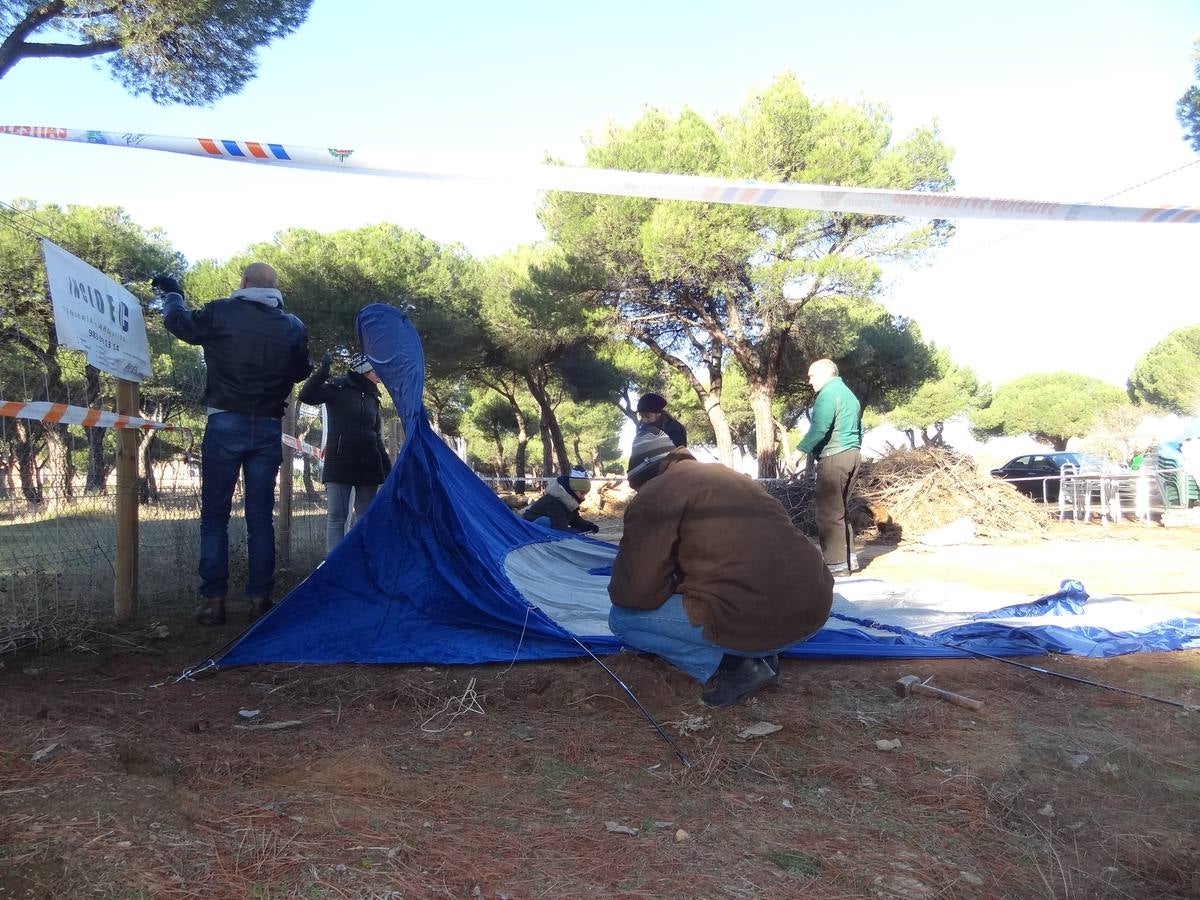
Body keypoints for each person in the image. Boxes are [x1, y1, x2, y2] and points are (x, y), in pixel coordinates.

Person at [608, 426, 834, 708]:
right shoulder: (729, 475)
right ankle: (762, 652)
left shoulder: (655, 493)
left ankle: (735, 665)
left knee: (621, 619)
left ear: (643, 477)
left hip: (762, 623)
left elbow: (636, 592)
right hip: (814, 612)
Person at [157, 263, 312, 625]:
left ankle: (214, 601)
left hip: (226, 420)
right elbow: (301, 371)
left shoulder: (222, 311)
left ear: (243, 283)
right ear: (275, 289)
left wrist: (174, 295)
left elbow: (180, 324)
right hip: (269, 425)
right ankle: (260, 600)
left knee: (215, 517)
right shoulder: (292, 326)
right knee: (260, 517)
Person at [299, 351, 392, 553]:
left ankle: (361, 561)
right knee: (336, 516)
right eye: (376, 369)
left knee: (365, 518)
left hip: (369, 465)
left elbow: (376, 435)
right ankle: (333, 564)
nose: (380, 374)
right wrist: (322, 373)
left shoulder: (374, 397)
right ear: (363, 369)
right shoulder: (337, 387)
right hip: (340, 462)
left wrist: (387, 467)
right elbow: (306, 396)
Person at [796, 359, 862, 575]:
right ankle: (850, 560)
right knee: (840, 510)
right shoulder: (849, 395)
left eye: (812, 376)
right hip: (853, 455)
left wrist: (798, 451)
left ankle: (836, 566)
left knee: (828, 513)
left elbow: (819, 428)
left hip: (835, 456)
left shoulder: (827, 394)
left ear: (825, 374)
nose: (809, 381)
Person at [521, 469, 600, 534]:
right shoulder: (554, 502)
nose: (583, 497)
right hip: (528, 530)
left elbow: (574, 520)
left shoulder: (570, 502)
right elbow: (560, 527)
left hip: (552, 528)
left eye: (585, 494)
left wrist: (589, 526)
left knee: (578, 533)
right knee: (545, 521)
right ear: (572, 490)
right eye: (582, 493)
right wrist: (576, 534)